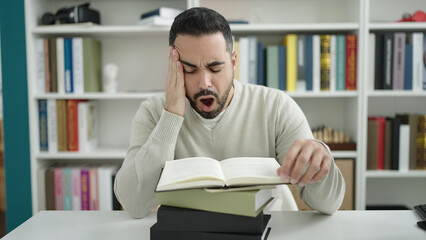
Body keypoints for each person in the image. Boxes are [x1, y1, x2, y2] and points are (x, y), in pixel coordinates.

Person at [114, 7, 345, 218]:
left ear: (234, 61)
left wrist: (320, 160)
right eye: (189, 69)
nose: (205, 82)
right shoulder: (154, 112)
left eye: (215, 68)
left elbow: (328, 204)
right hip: (190, 231)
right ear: (174, 66)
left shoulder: (276, 106)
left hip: (270, 228)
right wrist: (172, 116)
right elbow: (133, 204)